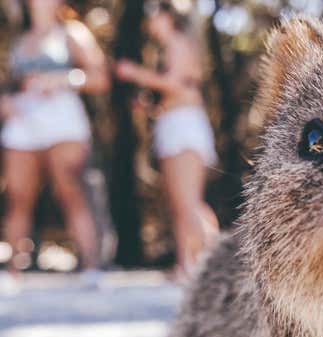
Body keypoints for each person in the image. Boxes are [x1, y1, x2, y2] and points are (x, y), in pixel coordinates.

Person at [0, 0, 109, 290]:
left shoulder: (72, 33)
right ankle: (11, 272)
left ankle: (91, 267)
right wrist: (5, 103)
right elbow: (10, 86)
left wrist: (63, 79)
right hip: (23, 121)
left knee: (71, 189)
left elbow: (100, 78)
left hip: (62, 119)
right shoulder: (20, 40)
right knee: (18, 196)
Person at [115, 0, 218, 281]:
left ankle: (208, 265)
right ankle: (188, 263)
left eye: (153, 15)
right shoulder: (173, 47)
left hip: (184, 126)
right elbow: (176, 91)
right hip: (175, 123)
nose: (150, 23)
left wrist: (134, 73)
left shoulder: (179, 43)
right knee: (181, 201)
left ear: (168, 17)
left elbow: (176, 85)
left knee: (187, 201)